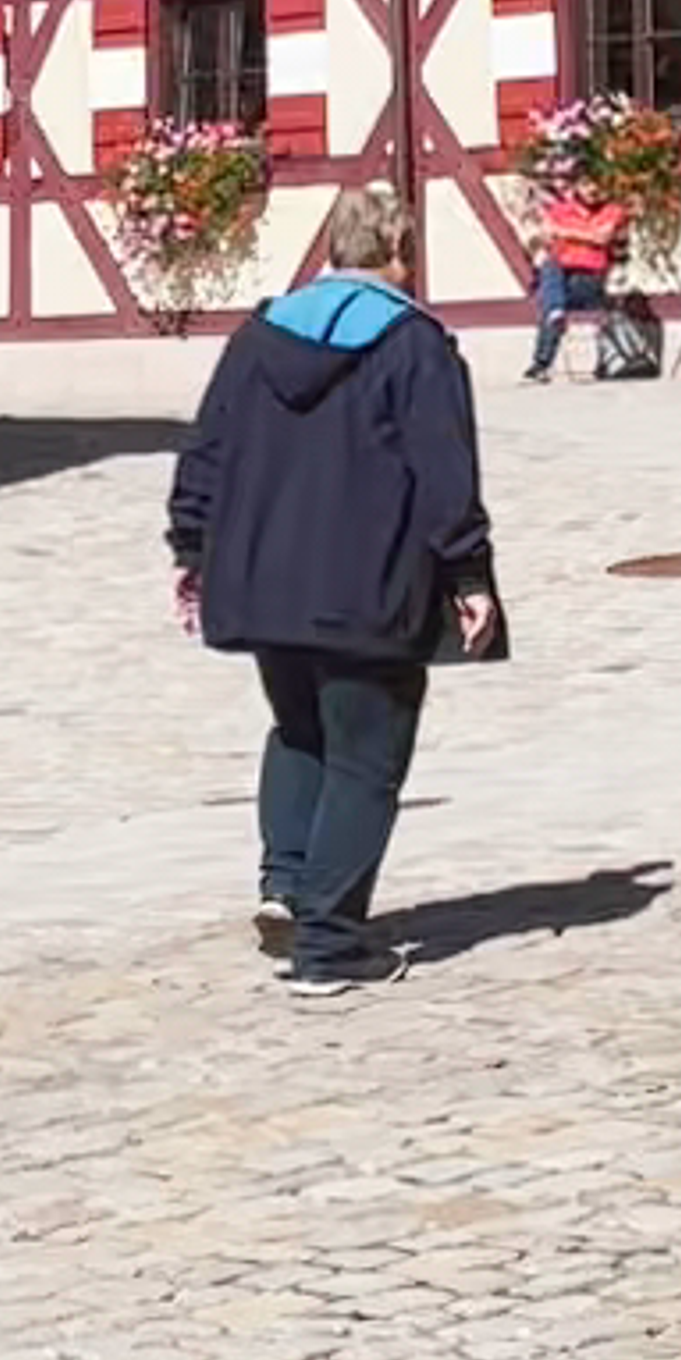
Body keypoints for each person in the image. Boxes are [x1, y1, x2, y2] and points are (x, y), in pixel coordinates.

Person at [168, 181, 503, 988]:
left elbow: (206, 450)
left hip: (264, 582)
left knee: (299, 728)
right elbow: (444, 470)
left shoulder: (257, 338)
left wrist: (191, 548)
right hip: (369, 584)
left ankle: (287, 884)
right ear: (399, 252)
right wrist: (469, 573)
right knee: (365, 754)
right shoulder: (415, 344)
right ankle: (329, 944)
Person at [526, 156, 634, 382]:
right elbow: (545, 234)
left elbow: (602, 237)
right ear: (576, 186)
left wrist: (565, 232)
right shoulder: (561, 210)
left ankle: (541, 363)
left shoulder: (612, 210)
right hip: (562, 278)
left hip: (589, 281)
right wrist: (584, 234)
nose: (593, 190)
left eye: (597, 184)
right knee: (551, 274)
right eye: (586, 184)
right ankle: (542, 360)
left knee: (551, 294)